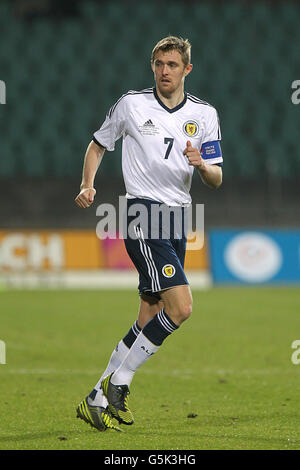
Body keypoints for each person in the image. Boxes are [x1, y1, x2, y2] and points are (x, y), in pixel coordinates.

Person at [75, 36, 223, 432]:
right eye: (158, 64)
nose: (164, 72)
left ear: (187, 69)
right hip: (142, 213)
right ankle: (118, 382)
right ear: (152, 66)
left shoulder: (205, 114)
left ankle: (95, 397)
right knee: (181, 307)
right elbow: (97, 144)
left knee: (151, 313)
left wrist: (202, 166)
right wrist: (88, 184)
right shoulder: (131, 104)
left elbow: (216, 177)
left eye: (172, 65)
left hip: (178, 218)